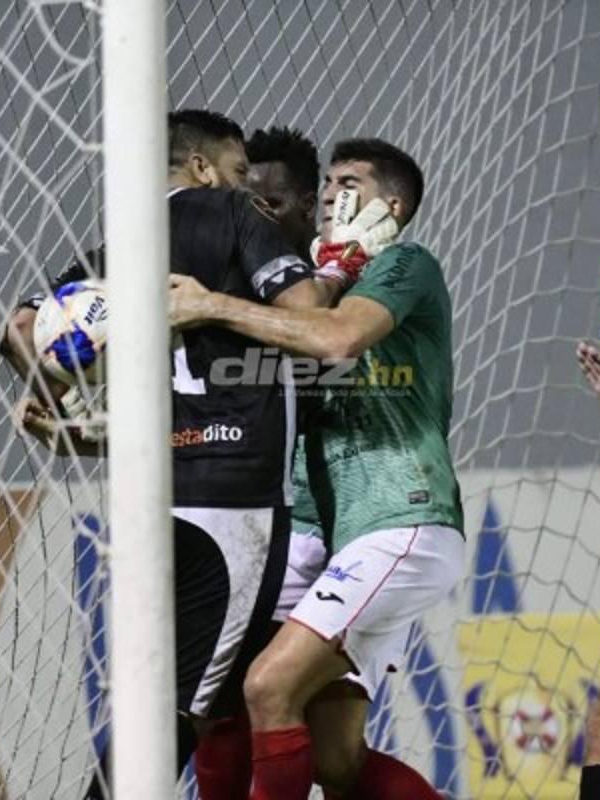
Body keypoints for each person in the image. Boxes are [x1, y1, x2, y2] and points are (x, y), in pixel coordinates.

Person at [0, 109, 323, 799]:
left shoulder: (121, 244)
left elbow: (21, 327)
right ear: (203, 167)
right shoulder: (236, 216)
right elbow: (313, 320)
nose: (247, 185)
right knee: (185, 711)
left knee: (197, 694)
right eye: (239, 170)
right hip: (235, 494)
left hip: (155, 494)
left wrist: (64, 406)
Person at [169, 138, 461, 800]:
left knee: (267, 687)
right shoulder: (301, 289)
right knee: (330, 757)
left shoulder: (402, 264)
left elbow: (338, 338)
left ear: (392, 207)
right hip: (316, 533)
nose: (331, 194)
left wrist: (210, 304)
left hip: (400, 519)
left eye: (348, 184)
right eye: (327, 183)